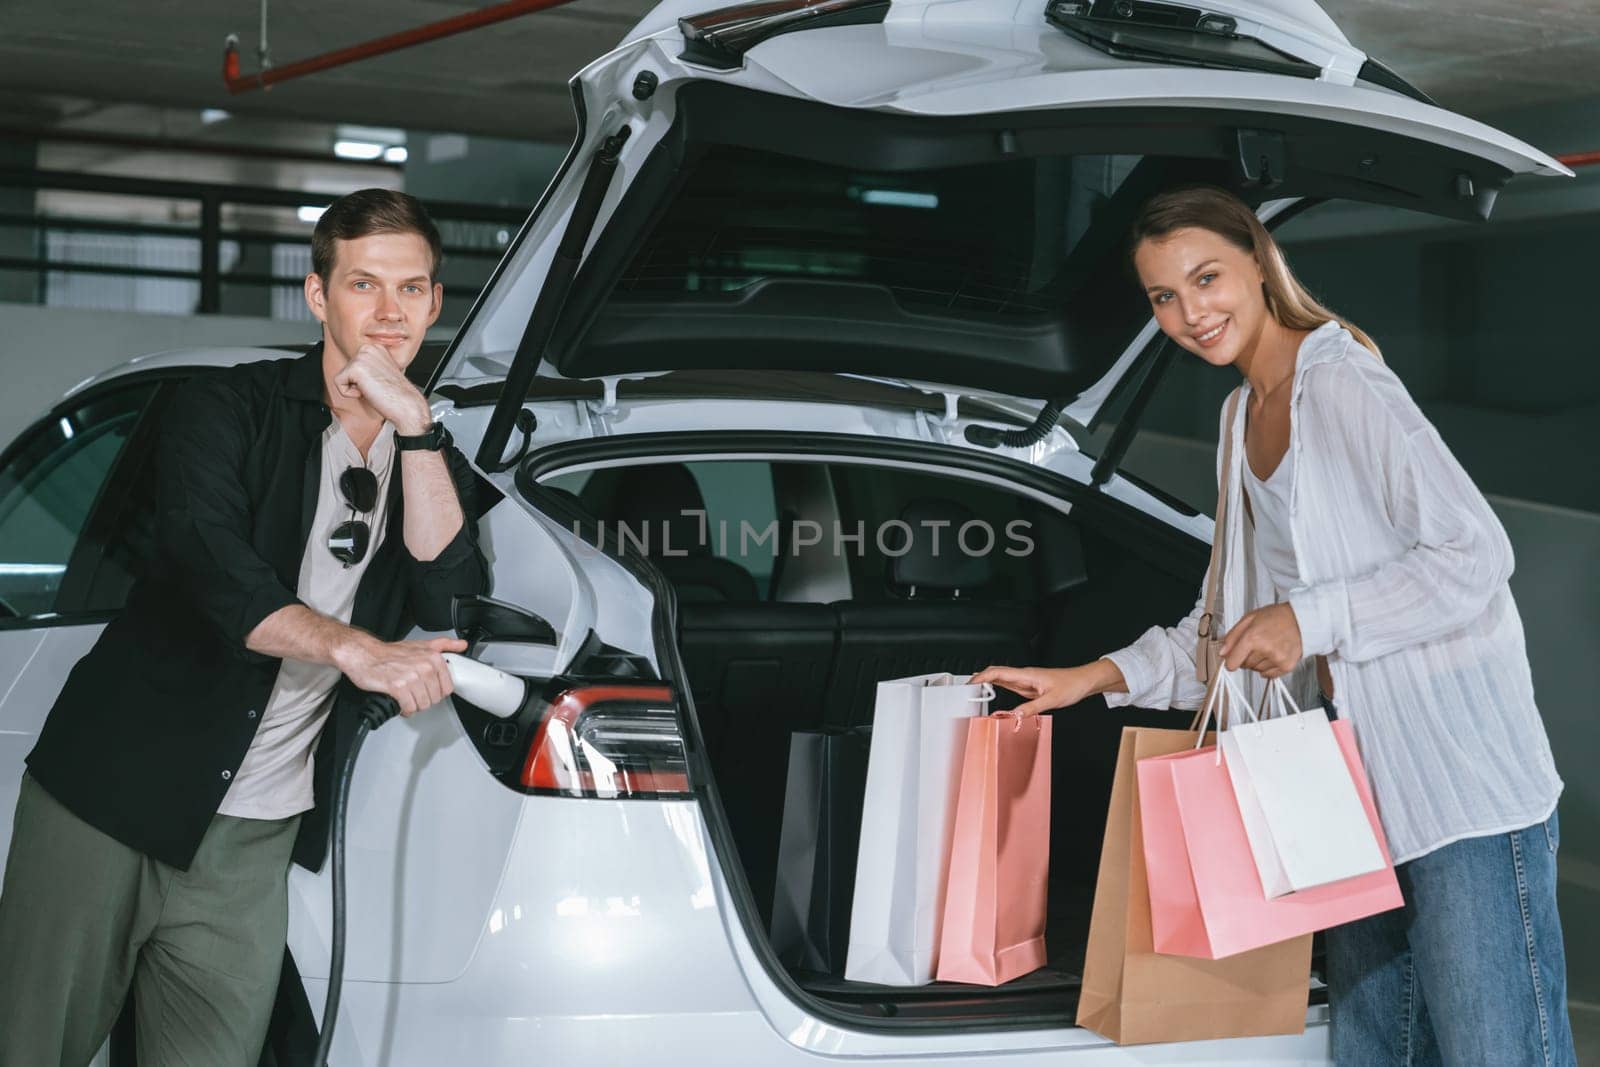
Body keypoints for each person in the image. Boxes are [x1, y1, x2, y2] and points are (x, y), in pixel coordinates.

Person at [973, 185, 1573, 1066]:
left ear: (1258, 262)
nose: (1190, 313)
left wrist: (1312, 617)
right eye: (1163, 297)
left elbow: (1476, 553)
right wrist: (1089, 678)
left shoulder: (1340, 380)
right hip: (1343, 794)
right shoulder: (1237, 417)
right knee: (1376, 1050)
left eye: (1206, 277)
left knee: (1496, 1052)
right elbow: (1226, 630)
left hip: (1457, 788)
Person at [0, 188, 490, 1065]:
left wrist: (416, 429)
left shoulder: (429, 454)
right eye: (364, 286)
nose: (389, 314)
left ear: (435, 302)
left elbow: (453, 603)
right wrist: (356, 648)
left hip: (252, 840)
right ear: (317, 296)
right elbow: (211, 573)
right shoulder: (226, 410)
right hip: (111, 800)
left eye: (411, 289)